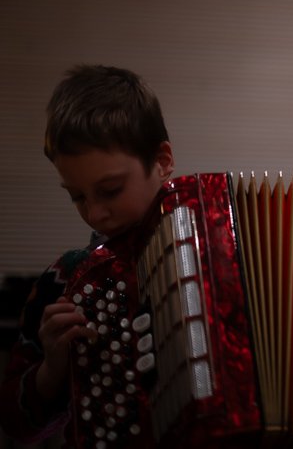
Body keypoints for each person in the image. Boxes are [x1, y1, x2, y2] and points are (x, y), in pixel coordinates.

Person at [0, 65, 174, 444]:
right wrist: (50, 373)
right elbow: (10, 420)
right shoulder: (67, 279)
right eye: (77, 196)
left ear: (161, 161)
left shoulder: (231, 253)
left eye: (110, 190)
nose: (94, 214)